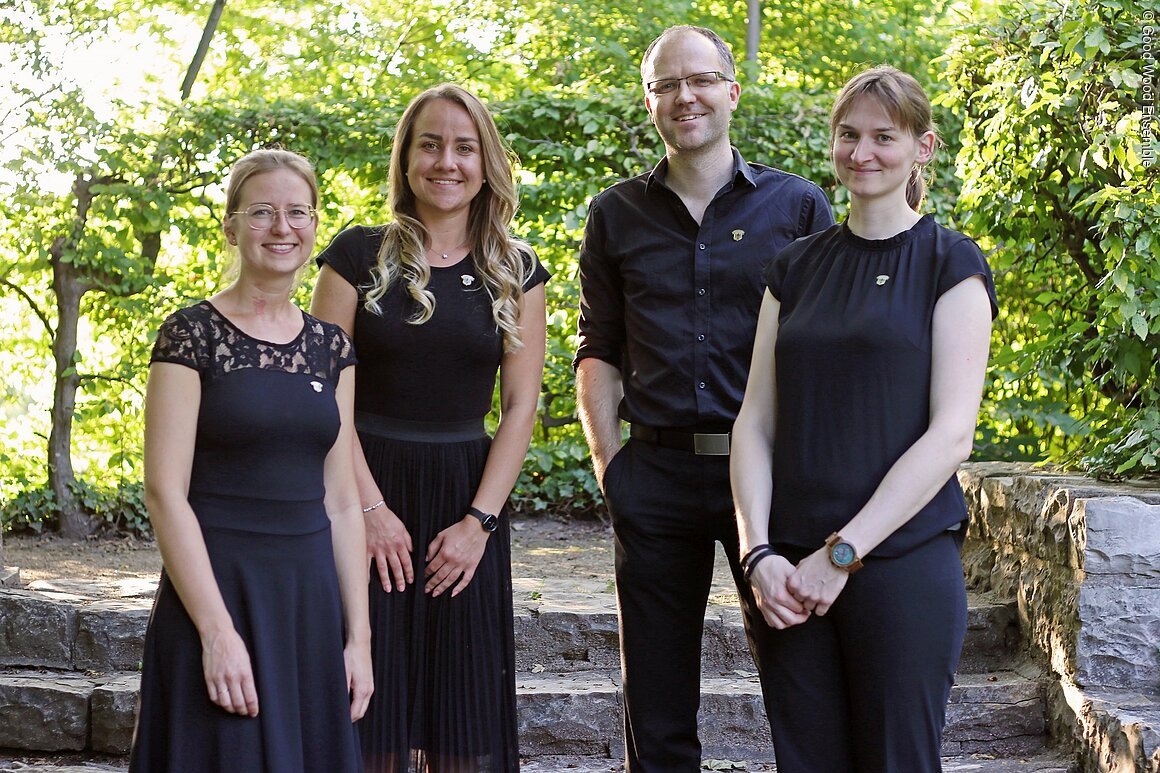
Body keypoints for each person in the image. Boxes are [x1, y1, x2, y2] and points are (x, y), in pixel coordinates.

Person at [574, 25, 834, 772]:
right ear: (649, 102)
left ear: (731, 91)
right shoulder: (615, 214)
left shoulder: (798, 207)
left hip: (773, 479)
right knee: (656, 704)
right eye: (666, 85)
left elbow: (828, 352)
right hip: (655, 475)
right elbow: (598, 348)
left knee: (802, 684)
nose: (684, 96)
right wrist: (611, 467)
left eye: (700, 80)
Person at [730, 65, 999, 772]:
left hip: (900, 564)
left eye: (885, 136)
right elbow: (754, 422)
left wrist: (842, 554)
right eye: (848, 135)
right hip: (789, 575)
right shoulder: (794, 268)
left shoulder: (951, 263)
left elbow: (952, 435)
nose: (862, 152)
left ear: (922, 147)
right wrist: (757, 553)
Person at [310, 83, 548, 772]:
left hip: (466, 502)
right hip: (360, 489)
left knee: (461, 717)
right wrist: (368, 509)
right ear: (406, 159)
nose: (447, 161)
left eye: (465, 147)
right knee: (363, 710)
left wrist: (480, 523)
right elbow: (322, 395)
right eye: (431, 144)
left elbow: (520, 405)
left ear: (486, 164)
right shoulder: (355, 257)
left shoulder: (518, 270)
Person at [129, 148, 372, 772]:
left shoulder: (332, 348)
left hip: (309, 605)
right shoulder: (189, 335)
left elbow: (343, 502)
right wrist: (215, 632)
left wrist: (358, 639)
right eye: (262, 212)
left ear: (314, 224)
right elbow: (164, 493)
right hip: (217, 593)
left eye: (298, 212)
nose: (281, 227)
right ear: (231, 227)